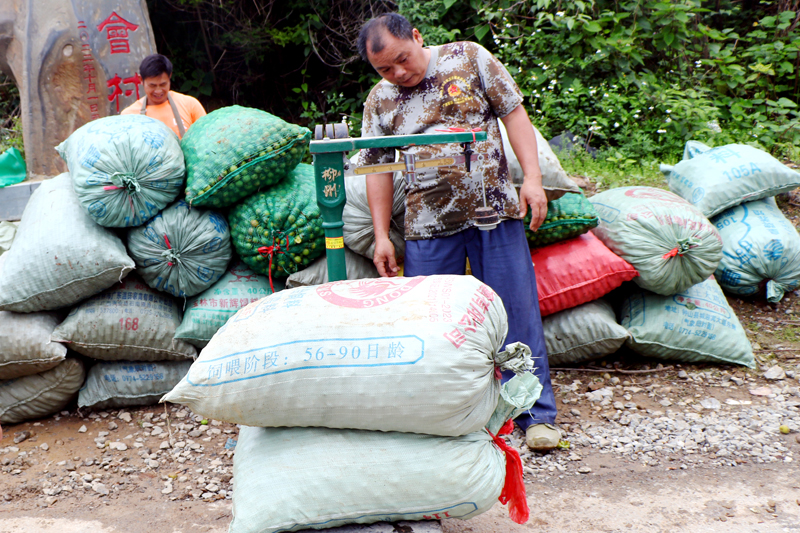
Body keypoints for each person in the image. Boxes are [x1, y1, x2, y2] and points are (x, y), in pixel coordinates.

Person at [356, 13, 559, 450]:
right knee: (433, 326)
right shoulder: (380, 101)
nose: (398, 73)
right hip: (428, 226)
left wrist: (532, 179)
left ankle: (535, 415)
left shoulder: (470, 58)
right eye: (385, 69)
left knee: (514, 314)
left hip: (495, 213)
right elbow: (377, 170)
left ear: (417, 36)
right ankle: (443, 419)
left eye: (402, 60)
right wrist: (380, 235)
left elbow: (515, 116)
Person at [120, 54, 206, 138]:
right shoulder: (129, 116)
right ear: (141, 80)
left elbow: (207, 138)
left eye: (163, 84)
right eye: (152, 85)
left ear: (170, 77)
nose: (158, 91)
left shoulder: (190, 105)